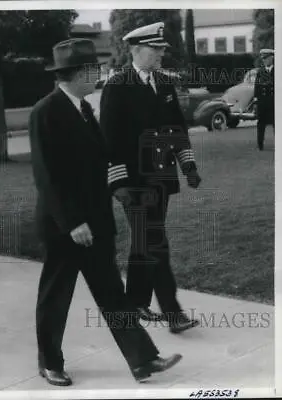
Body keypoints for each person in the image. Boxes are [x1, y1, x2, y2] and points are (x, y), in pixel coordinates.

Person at [28, 38, 182, 387]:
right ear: (78, 72)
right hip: (65, 228)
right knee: (56, 297)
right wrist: (73, 223)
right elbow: (47, 178)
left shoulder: (83, 108)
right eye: (93, 69)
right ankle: (49, 362)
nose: (98, 74)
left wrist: (113, 194)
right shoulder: (46, 112)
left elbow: (101, 160)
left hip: (96, 224)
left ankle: (143, 360)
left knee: (113, 294)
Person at [100, 22, 201, 334]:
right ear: (135, 49)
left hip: (162, 180)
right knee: (156, 242)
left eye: (161, 49)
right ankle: (173, 314)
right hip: (134, 184)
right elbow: (109, 141)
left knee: (144, 242)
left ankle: (135, 302)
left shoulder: (165, 84)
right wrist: (118, 184)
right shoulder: (117, 86)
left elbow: (178, 130)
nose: (160, 54)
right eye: (154, 49)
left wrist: (188, 166)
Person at [254, 48, 275, 151]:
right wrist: (256, 101)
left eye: (266, 58)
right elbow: (256, 87)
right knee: (260, 124)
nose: (264, 61)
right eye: (263, 59)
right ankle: (260, 145)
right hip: (262, 102)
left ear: (272, 58)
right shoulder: (260, 71)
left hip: (274, 102)